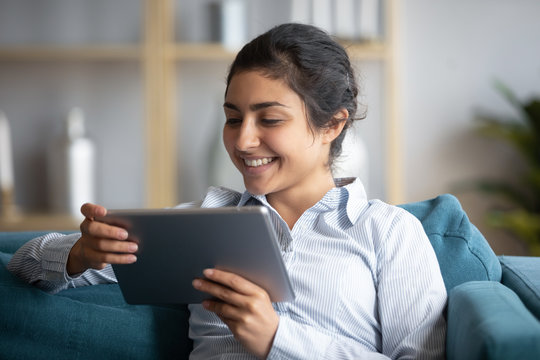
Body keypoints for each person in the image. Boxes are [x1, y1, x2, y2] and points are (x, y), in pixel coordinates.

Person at [8, 23, 447, 359]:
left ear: (332, 124)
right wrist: (81, 254)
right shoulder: (199, 222)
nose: (242, 141)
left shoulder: (390, 233)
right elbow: (24, 266)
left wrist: (278, 338)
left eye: (269, 119)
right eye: (233, 118)